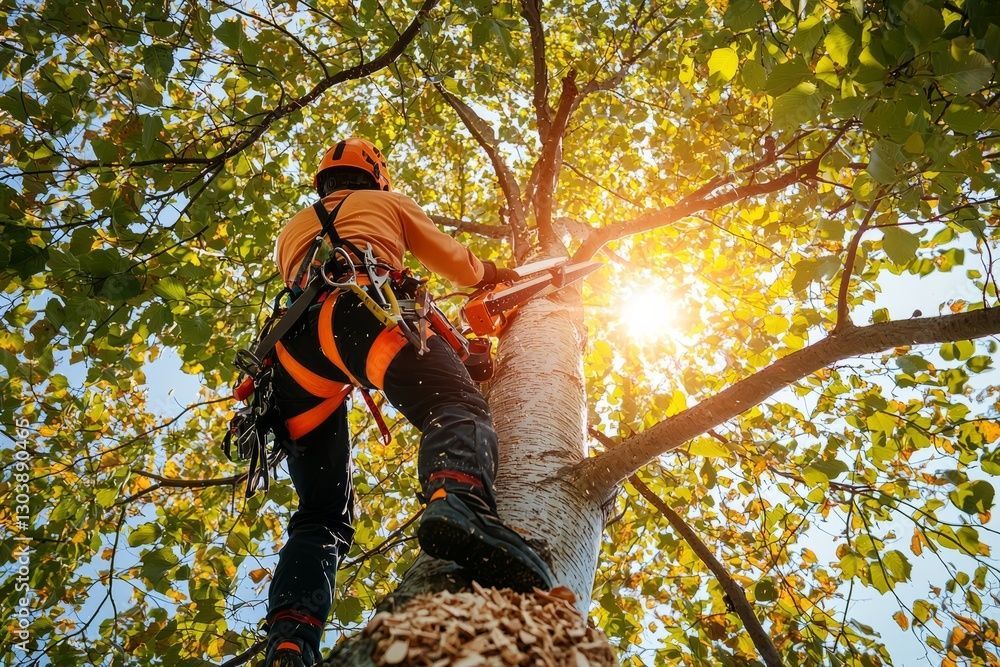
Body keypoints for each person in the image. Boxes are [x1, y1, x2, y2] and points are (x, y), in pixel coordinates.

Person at [260, 138, 555, 667]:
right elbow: (451, 260)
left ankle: (290, 639)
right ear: (377, 176)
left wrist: (461, 353)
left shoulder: (294, 227)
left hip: (292, 356)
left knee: (320, 516)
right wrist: (491, 274)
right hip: (360, 311)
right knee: (455, 407)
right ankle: (459, 503)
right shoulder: (386, 204)